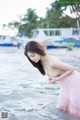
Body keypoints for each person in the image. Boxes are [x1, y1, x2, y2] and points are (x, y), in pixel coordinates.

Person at [24, 40, 80, 118]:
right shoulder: (41, 61)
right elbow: (56, 73)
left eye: (33, 55)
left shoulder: (52, 62)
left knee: (75, 110)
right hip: (65, 86)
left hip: (75, 82)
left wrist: (57, 79)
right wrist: (52, 80)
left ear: (38, 51)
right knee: (62, 108)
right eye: (29, 57)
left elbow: (72, 69)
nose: (32, 59)